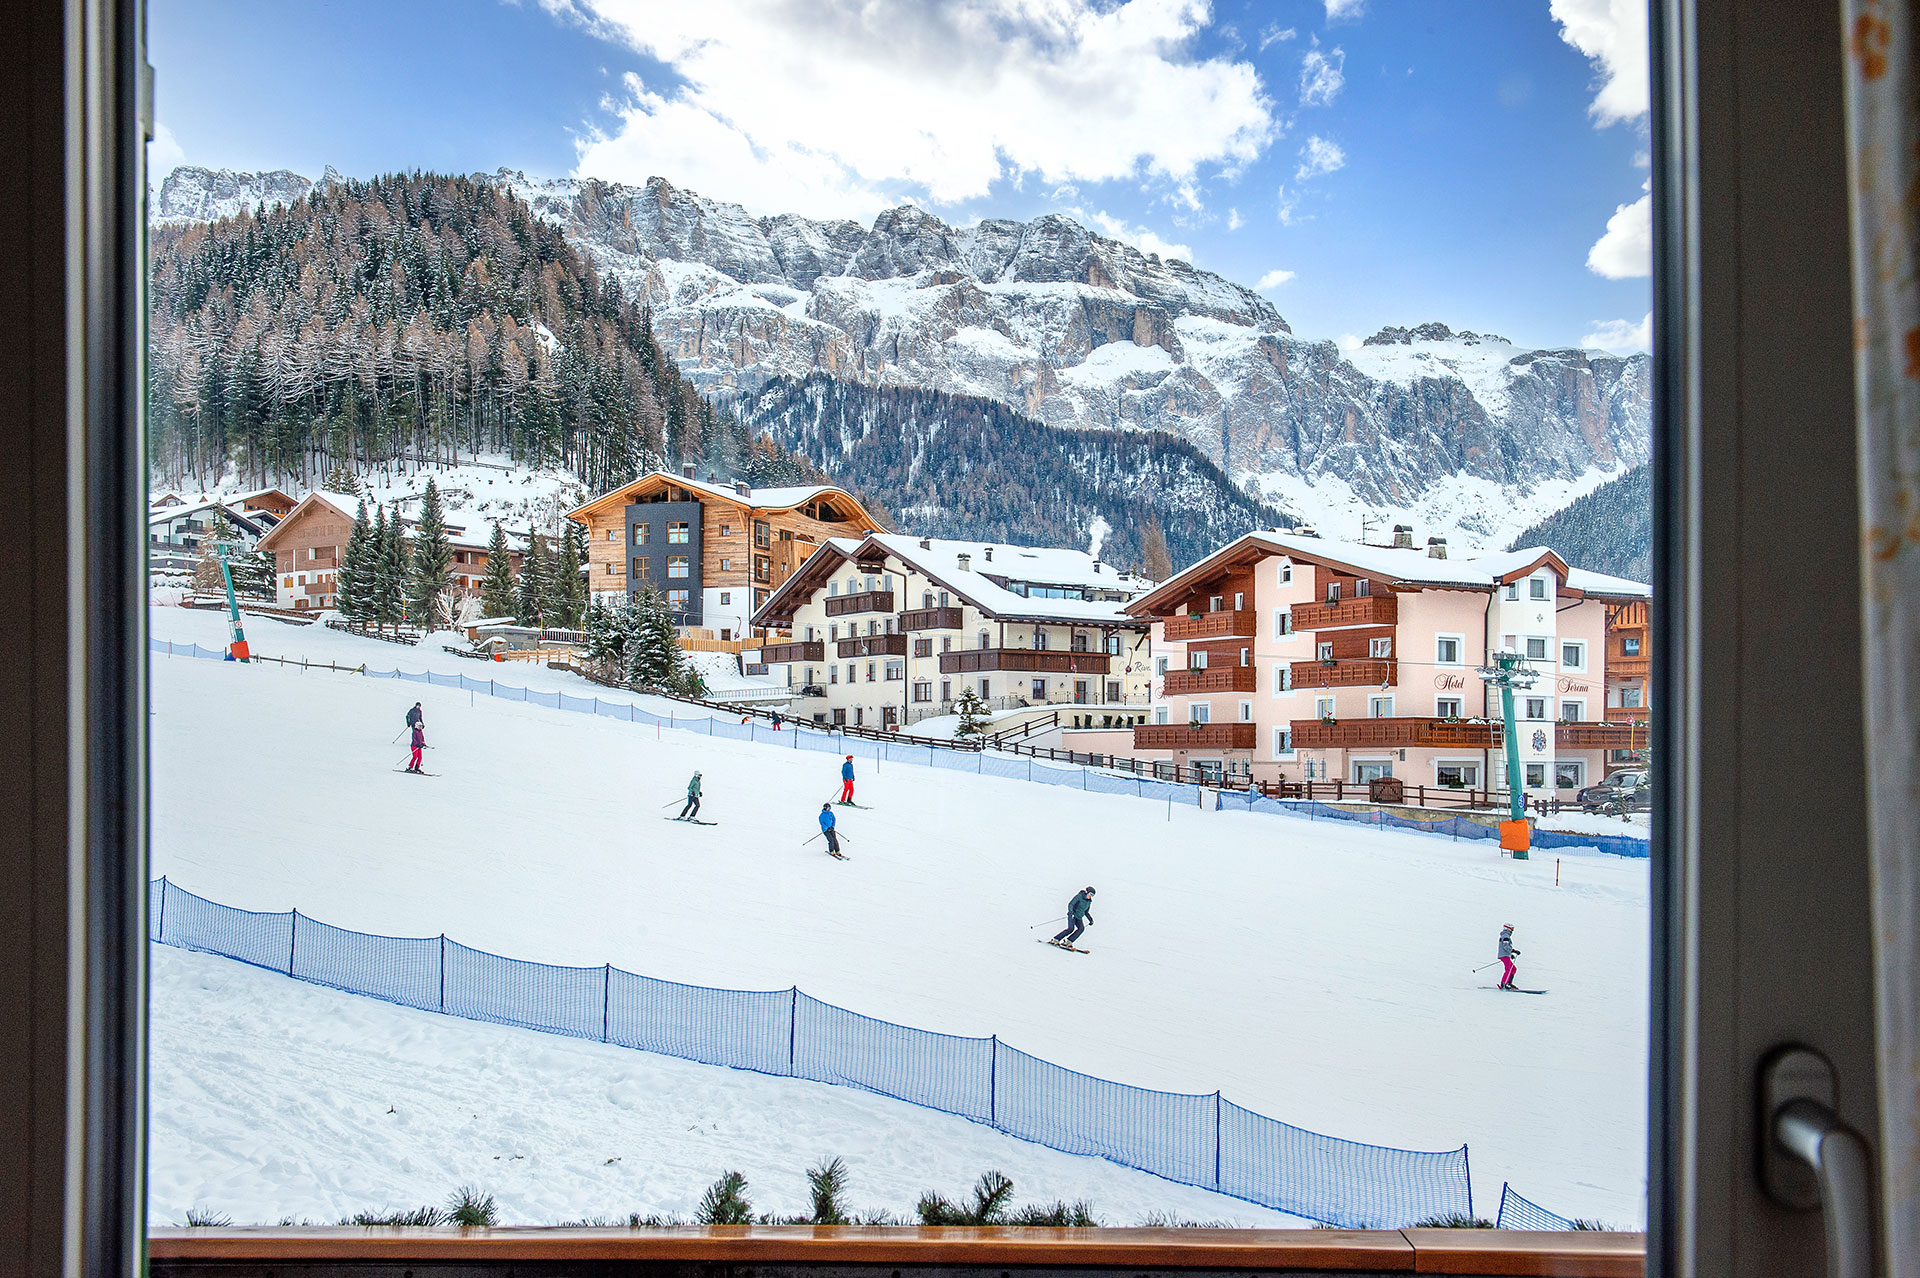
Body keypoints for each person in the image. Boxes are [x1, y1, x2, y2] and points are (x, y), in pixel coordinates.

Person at [1496, 924, 1521, 990]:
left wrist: (1510, 954)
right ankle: (1504, 984)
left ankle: (1508, 983)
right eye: (1512, 929)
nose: (1512, 931)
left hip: (1505, 955)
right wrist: (1513, 951)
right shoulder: (1505, 936)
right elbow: (1506, 946)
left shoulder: (1505, 936)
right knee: (1509, 969)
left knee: (1513, 969)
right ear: (1508, 929)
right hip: (1504, 955)